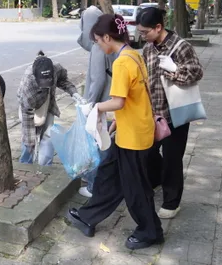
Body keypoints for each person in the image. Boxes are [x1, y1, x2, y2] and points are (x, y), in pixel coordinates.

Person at [66, 14, 163, 250]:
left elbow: (118, 101)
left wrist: (96, 107)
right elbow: (136, 98)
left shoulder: (121, 62)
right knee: (108, 175)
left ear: (108, 37)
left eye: (99, 40)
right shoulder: (133, 55)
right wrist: (115, 123)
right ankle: (87, 217)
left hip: (134, 137)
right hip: (131, 130)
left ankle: (151, 232)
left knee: (135, 187)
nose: (99, 45)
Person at [138, 6, 204, 219]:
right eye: (141, 32)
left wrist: (174, 70)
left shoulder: (180, 47)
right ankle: (157, 180)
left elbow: (197, 72)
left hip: (175, 113)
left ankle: (171, 202)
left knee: (172, 158)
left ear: (159, 27)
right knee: (147, 153)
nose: (143, 36)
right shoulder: (148, 48)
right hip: (152, 113)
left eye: (146, 32)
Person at [77, 5, 117, 198]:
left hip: (103, 105)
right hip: (112, 102)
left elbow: (98, 79)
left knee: (99, 147)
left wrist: (90, 105)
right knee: (106, 145)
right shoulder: (110, 42)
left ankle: (94, 187)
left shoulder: (98, 46)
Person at [17, 51, 82, 166]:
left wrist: (73, 93)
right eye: (43, 82)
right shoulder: (28, 82)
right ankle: (25, 165)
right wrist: (30, 142)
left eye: (49, 81)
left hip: (47, 103)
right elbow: (27, 112)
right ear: (35, 77)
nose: (47, 85)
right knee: (28, 141)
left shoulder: (56, 68)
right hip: (29, 107)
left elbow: (63, 80)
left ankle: (45, 167)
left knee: (48, 136)